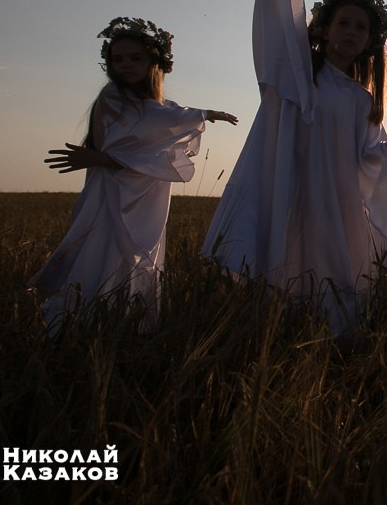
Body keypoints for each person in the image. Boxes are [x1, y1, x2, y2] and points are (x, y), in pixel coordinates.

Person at [203, 0, 387, 333]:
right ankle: (280, 333)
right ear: (324, 28)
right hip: (291, 189)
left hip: (337, 204)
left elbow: (368, 156)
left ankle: (334, 340)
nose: (351, 32)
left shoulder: (361, 98)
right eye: (344, 23)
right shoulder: (296, 76)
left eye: (360, 27)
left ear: (371, 40)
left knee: (335, 270)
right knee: (286, 259)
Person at [33, 17, 237, 331]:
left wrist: (200, 114)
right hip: (112, 192)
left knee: (138, 255)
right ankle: (79, 325)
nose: (125, 65)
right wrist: (205, 114)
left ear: (153, 63)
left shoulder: (155, 104)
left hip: (144, 194)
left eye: (135, 58)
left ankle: (128, 325)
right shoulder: (114, 97)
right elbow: (153, 124)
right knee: (105, 250)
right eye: (118, 59)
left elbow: (161, 118)